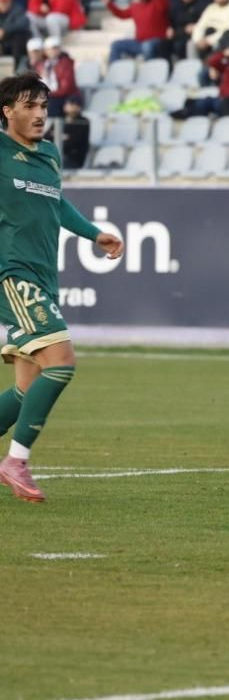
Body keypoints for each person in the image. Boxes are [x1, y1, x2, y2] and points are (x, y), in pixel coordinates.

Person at [0, 72, 126, 504]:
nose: (40, 115)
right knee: (62, 361)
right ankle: (15, 460)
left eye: (43, 106)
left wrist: (93, 233)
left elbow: (55, 200)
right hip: (12, 275)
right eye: (29, 106)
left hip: (43, 277)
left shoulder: (50, 155)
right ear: (7, 111)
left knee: (25, 388)